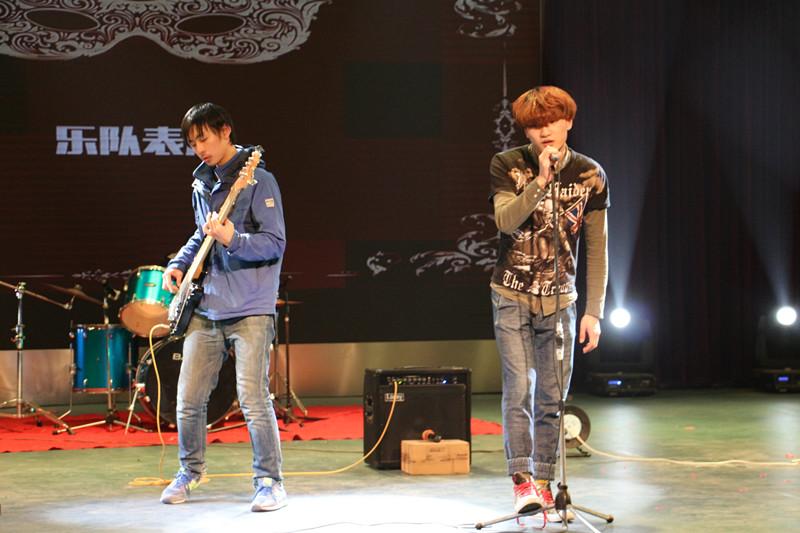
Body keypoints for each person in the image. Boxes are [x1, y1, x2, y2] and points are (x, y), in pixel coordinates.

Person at [159, 103, 287, 512]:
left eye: (205, 138)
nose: (200, 148)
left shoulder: (259, 179)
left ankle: (269, 482)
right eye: (192, 142)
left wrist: (235, 239)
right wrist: (180, 263)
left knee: (253, 399)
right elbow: (202, 235)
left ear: (225, 131)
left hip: (251, 305)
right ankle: (189, 471)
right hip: (207, 305)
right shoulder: (201, 183)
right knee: (188, 398)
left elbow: (275, 243)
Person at [489, 86, 609, 520]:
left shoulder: (590, 174)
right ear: (526, 131)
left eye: (552, 122)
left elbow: (597, 246)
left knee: (553, 397)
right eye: (535, 125)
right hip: (511, 295)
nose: (544, 131)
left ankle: (545, 483)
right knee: (519, 388)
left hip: (560, 300)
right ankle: (522, 483)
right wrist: (540, 181)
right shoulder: (507, 164)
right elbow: (506, 221)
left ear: (568, 122)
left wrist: (594, 311)